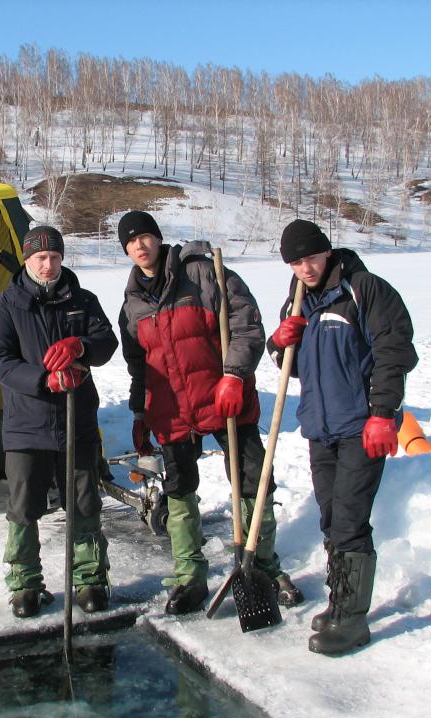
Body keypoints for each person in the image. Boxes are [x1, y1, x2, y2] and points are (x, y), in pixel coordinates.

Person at [117, 210, 303, 615]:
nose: (140, 246)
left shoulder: (205, 274)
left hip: (225, 398)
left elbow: (247, 326)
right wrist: (139, 414)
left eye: (145, 237)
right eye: (131, 242)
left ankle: (264, 567)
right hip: (172, 410)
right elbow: (139, 367)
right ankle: (190, 575)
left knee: (253, 481)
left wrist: (235, 375)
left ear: (158, 238)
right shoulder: (131, 304)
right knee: (179, 488)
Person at [268, 219, 418, 655]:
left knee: (350, 522)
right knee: (331, 519)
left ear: (327, 252)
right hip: (320, 427)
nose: (304, 268)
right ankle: (339, 603)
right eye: (295, 262)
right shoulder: (297, 301)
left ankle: (353, 622)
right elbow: (292, 366)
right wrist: (279, 344)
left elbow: (395, 353)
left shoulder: (364, 290)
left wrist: (384, 415)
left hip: (360, 425)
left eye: (310, 258)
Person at [0, 225, 118, 618]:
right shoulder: (5, 305)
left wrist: (82, 346)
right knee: (24, 506)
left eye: (55, 257)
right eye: (40, 258)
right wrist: (44, 380)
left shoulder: (82, 299)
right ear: (27, 259)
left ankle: (89, 578)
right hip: (27, 423)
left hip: (77, 419)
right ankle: (25, 584)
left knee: (84, 502)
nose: (48, 265)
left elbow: (106, 342)